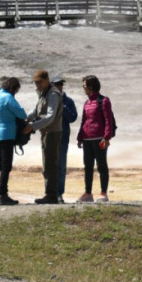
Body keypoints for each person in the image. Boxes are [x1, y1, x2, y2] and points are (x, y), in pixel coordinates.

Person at [25, 70, 63, 204]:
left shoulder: (53, 94)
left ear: (47, 79)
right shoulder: (43, 93)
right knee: (47, 164)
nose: (37, 86)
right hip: (46, 132)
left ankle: (51, 196)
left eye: (39, 82)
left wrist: (33, 126)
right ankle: (50, 194)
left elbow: (50, 116)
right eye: (36, 83)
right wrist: (24, 120)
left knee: (50, 165)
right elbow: (35, 111)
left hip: (52, 133)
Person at [0, 77, 27, 206]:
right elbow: (22, 114)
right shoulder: (8, 98)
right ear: (14, 88)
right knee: (6, 166)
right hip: (7, 134)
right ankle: (2, 195)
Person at [76, 75, 114, 203]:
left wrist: (107, 137)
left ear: (91, 87)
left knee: (101, 166)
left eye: (84, 86)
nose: (84, 89)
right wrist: (80, 137)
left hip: (99, 139)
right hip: (87, 139)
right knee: (88, 166)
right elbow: (84, 121)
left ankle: (103, 193)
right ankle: (88, 193)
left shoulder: (103, 101)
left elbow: (108, 120)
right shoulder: (87, 102)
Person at [52, 75, 77, 204]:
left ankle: (59, 194)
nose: (59, 87)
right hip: (50, 137)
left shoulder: (68, 101)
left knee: (61, 166)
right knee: (50, 166)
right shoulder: (48, 99)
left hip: (62, 138)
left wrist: (63, 106)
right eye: (57, 84)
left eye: (61, 84)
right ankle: (49, 193)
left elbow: (73, 118)